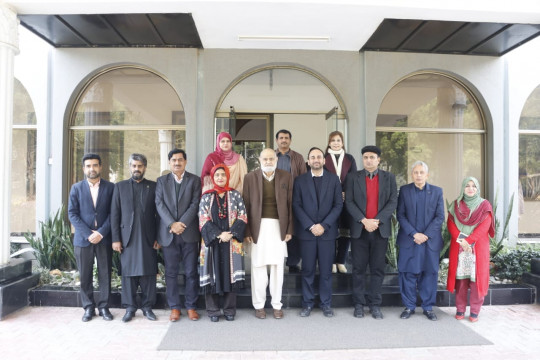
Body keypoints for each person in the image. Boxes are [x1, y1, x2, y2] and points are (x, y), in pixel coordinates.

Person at [344, 145, 397, 320]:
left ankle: (375, 304)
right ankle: (358, 304)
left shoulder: (389, 178)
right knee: (358, 269)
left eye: (372, 157)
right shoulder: (353, 177)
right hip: (360, 229)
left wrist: (377, 221)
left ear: (378, 159)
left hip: (379, 230)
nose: (368, 160)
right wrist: (364, 220)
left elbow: (392, 202)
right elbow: (349, 202)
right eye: (365, 157)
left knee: (377, 269)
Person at [243, 148, 293, 320]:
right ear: (259, 160)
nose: (268, 161)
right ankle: (259, 305)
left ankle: (277, 305)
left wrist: (289, 229)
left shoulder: (286, 176)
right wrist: (247, 230)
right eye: (265, 159)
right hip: (258, 228)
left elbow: (290, 204)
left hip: (279, 227)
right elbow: (246, 206)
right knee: (258, 267)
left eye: (271, 158)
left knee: (278, 268)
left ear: (276, 159)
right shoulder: (250, 178)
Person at [292, 147, 343, 317]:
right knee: (307, 270)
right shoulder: (300, 181)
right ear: (308, 161)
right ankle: (307, 304)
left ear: (324, 160)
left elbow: (338, 205)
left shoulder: (334, 179)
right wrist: (311, 226)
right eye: (313, 157)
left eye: (319, 157)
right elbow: (296, 205)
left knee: (326, 271)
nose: (316, 159)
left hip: (327, 234)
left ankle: (326, 304)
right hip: (307, 234)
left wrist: (324, 225)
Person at [111, 153, 159, 322]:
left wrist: (158, 238)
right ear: (129, 167)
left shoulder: (153, 186)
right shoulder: (120, 187)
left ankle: (147, 307)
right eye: (134, 166)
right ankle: (130, 308)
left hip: (148, 238)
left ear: (144, 167)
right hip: (126, 239)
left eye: (140, 166)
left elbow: (158, 215)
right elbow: (114, 215)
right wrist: (115, 239)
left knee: (148, 274)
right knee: (128, 274)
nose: (137, 169)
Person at [155, 149, 201, 322]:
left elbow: (195, 203)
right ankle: (174, 307)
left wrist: (182, 224)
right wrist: (172, 224)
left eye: (180, 160)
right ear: (169, 163)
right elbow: (159, 204)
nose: (177, 163)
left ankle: (191, 307)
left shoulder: (194, 180)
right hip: (169, 234)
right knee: (171, 273)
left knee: (190, 272)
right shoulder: (161, 181)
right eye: (173, 160)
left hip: (188, 233)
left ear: (185, 162)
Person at [68, 153, 115, 322]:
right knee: (85, 275)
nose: (92, 169)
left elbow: (114, 214)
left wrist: (101, 232)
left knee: (105, 274)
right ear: (83, 168)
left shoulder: (111, 188)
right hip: (83, 240)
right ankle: (88, 307)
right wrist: (89, 234)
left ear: (100, 167)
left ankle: (104, 307)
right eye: (88, 166)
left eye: (95, 165)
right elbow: (72, 214)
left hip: (104, 238)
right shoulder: (76, 188)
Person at [199, 164, 248, 322]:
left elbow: (243, 216)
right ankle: (213, 311)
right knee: (212, 274)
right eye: (217, 175)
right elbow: (202, 219)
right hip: (212, 242)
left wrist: (231, 234)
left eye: (223, 175)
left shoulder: (235, 195)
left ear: (228, 176)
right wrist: (218, 234)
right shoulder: (206, 196)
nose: (220, 177)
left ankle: (229, 310)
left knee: (230, 274)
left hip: (231, 241)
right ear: (213, 177)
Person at [396, 161, 444, 321]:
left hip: (429, 242)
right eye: (415, 172)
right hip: (410, 240)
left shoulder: (437, 192)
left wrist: (425, 235)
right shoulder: (404, 191)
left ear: (427, 175)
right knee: (407, 274)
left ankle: (428, 308)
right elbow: (400, 215)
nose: (418, 175)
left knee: (429, 274)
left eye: (421, 172)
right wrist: (414, 234)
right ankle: (409, 307)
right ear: (412, 175)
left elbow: (440, 217)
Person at [446, 177, 494, 323]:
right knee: (461, 280)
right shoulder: (455, 205)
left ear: (477, 188)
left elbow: (485, 226)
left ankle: (475, 311)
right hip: (460, 249)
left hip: (477, 249)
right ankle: (460, 308)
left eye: (473, 186)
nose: (470, 188)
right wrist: (462, 241)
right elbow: (451, 224)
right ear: (463, 188)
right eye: (467, 186)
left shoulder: (484, 205)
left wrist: (469, 241)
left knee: (476, 280)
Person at [324, 131, 357, 274]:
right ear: (329, 143)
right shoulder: (324, 158)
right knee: (330, 233)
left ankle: (341, 261)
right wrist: (335, 193)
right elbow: (322, 179)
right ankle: (331, 262)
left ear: (342, 143)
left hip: (346, 200)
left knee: (345, 232)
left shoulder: (350, 158)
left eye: (338, 140)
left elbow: (354, 178)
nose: (336, 143)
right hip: (329, 201)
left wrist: (345, 193)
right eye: (333, 140)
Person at [275, 129, 307, 273]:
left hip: (293, 197)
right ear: (277, 141)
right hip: (274, 199)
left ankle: (293, 262)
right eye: (281, 138)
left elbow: (303, 178)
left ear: (290, 140)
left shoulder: (298, 158)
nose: (284, 140)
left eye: (286, 138)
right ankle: (276, 261)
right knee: (276, 230)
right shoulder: (271, 156)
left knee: (293, 230)